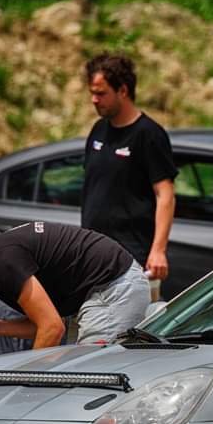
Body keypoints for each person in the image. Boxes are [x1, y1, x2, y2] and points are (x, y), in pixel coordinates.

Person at [0, 222, 149, 349]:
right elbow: (51, 323)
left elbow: (52, 328)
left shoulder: (1, 262)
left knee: (92, 377)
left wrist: (29, 382)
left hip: (112, 287)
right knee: (72, 370)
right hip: (95, 294)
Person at [81, 53, 177, 299]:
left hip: (131, 256)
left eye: (101, 93)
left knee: (129, 331)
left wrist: (158, 251)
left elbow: (165, 194)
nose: (94, 100)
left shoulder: (149, 134)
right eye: (92, 92)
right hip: (93, 253)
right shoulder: (98, 130)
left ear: (123, 90)